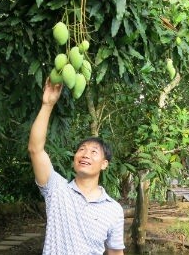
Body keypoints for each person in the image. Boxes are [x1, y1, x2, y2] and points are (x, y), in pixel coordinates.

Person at [28, 78, 125, 255]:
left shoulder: (113, 210)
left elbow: (115, 252)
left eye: (94, 151)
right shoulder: (56, 189)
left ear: (104, 164)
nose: (85, 154)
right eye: (82, 149)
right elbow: (35, 150)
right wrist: (47, 104)